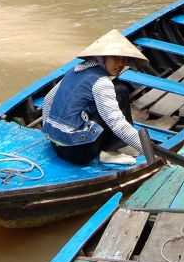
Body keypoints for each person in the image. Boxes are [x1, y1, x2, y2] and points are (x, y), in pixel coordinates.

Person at [41, 29, 149, 166]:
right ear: (102, 57)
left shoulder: (74, 70)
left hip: (57, 147)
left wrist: (51, 133)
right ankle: (110, 151)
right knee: (121, 91)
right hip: (80, 152)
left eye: (124, 59)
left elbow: (48, 100)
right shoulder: (101, 82)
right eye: (116, 58)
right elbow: (116, 123)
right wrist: (149, 150)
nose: (120, 64)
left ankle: (104, 147)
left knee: (114, 91)